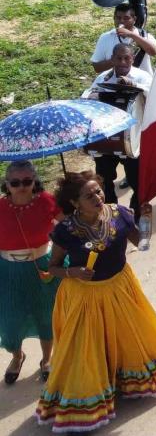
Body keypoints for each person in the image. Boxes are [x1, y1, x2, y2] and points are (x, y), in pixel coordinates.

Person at [37, 172, 156, 432]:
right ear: (74, 203)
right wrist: (73, 272)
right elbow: (53, 267)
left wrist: (147, 223)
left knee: (125, 337)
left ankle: (123, 381)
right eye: (89, 195)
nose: (97, 197)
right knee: (87, 348)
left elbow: (142, 244)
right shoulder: (65, 230)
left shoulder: (119, 214)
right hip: (85, 295)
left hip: (120, 288)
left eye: (98, 191)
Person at [1, 161, 59, 386]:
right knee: (9, 321)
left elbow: (66, 227)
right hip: (7, 271)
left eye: (27, 181)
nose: (22, 186)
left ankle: (46, 360)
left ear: (35, 180)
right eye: (15, 182)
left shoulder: (47, 201)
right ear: (7, 184)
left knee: (45, 316)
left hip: (42, 266)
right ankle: (17, 356)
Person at [83, 43, 152, 216]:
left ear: (132, 58)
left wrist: (134, 85)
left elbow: (154, 98)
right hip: (106, 140)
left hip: (133, 140)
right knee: (104, 181)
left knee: (138, 182)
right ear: (112, 59)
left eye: (126, 58)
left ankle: (135, 215)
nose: (122, 62)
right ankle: (111, 215)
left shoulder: (143, 77)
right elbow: (88, 99)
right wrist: (90, 96)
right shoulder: (103, 78)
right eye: (118, 58)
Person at [90, 2, 156, 76]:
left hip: (140, 82)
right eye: (118, 18)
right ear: (114, 18)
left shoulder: (145, 36)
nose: (121, 21)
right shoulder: (105, 37)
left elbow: (154, 52)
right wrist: (115, 61)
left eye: (126, 18)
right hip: (113, 83)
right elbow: (97, 68)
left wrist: (132, 35)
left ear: (134, 19)